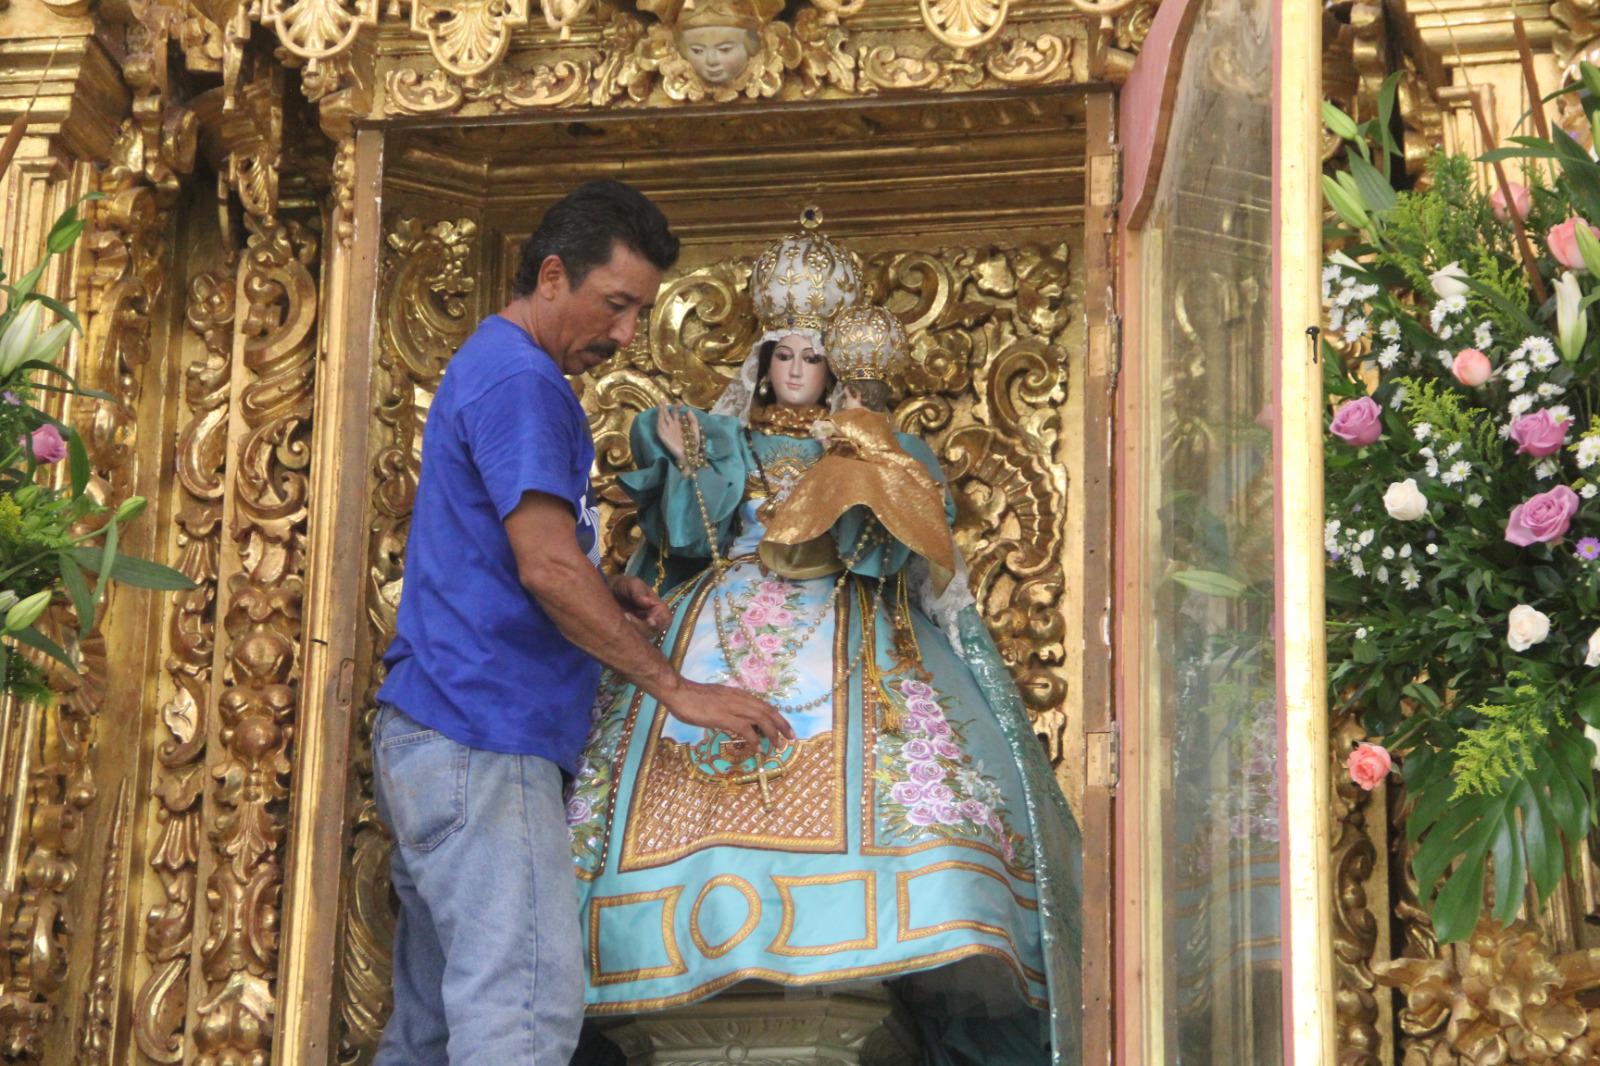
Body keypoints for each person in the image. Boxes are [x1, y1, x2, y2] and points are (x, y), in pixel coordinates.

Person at [566, 226, 1083, 1063]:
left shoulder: (866, 442)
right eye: (783, 356)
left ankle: (857, 930)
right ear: (762, 363)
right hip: (723, 613)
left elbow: (907, 535)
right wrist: (682, 460)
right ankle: (695, 925)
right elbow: (688, 535)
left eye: (813, 357)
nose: (797, 371)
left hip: (842, 619)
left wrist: (867, 465)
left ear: (834, 367)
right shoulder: (729, 439)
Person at [371, 179, 791, 1065]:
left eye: (639, 313)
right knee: (518, 1016)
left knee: (431, 1036)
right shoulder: (525, 379)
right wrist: (675, 687)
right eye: (616, 305)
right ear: (553, 276)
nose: (625, 335)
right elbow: (544, 565)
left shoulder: (489, 363)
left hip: (431, 735)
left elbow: (528, 552)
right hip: (483, 732)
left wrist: (606, 584)